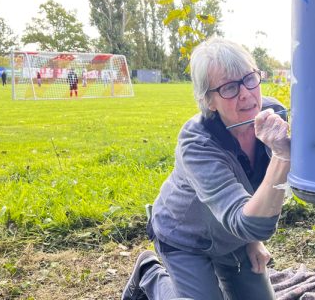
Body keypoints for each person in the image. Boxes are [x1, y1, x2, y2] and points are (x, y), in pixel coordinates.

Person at [121, 37, 290, 300]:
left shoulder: (273, 115)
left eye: (249, 79)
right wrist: (282, 155)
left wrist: (251, 242)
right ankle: (150, 274)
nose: (246, 93)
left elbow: (249, 196)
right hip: (185, 237)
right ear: (209, 100)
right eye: (229, 88)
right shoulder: (197, 141)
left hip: (232, 231)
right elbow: (252, 223)